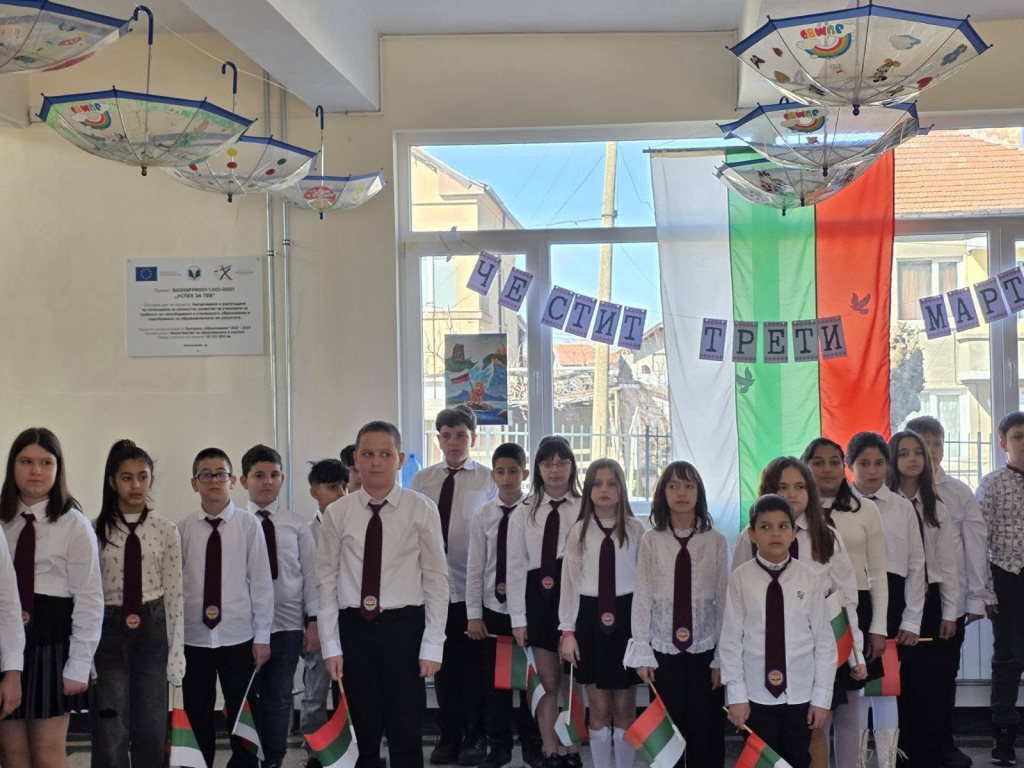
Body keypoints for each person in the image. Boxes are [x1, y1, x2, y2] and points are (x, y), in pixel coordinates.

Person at [318, 421, 449, 768]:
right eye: (367, 454)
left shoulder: (421, 509)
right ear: (355, 460)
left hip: (404, 630)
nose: (376, 462)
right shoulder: (338, 513)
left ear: (400, 459)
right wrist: (330, 646)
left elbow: (437, 581)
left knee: (405, 729)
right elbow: (326, 582)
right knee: (362, 731)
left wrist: (432, 645)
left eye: (385, 454)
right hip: (353, 630)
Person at [732, 457, 866, 768]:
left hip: (815, 654)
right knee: (765, 739)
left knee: (813, 730)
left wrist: (855, 653)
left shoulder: (826, 536)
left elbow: (846, 599)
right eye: (782, 487)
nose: (791, 494)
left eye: (800, 486)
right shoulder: (748, 540)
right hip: (763, 658)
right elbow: (734, 601)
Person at [0, 427, 100, 768]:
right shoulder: (3, 520)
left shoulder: (74, 524)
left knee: (47, 754)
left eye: (46, 462)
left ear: (59, 469)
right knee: (13, 755)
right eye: (26, 461)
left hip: (52, 647)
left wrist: (80, 664)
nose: (36, 471)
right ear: (12, 466)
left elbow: (89, 600)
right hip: (6, 644)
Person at [720, 494, 836, 768]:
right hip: (756, 694)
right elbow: (731, 641)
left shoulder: (809, 579)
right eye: (765, 527)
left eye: (783, 526)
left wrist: (822, 698)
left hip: (800, 693)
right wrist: (736, 696)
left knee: (798, 759)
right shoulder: (741, 579)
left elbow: (824, 642)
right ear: (752, 534)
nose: (775, 533)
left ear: (794, 532)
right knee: (761, 761)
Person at [625, 461, 728, 768]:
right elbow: (642, 596)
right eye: (673, 486)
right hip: (662, 648)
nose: (681, 492)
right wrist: (642, 651)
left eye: (689, 486)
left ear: (699, 493)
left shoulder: (715, 540)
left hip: (704, 649)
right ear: (662, 493)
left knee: (704, 728)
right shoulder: (651, 539)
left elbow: (724, 601)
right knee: (668, 730)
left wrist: (721, 658)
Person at [411, 405, 497, 765]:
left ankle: (475, 735)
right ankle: (448, 735)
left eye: (461, 435)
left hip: (471, 592)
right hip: (432, 591)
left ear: (473, 438)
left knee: (473, 670)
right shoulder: (422, 481)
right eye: (446, 435)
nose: (454, 442)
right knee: (441, 667)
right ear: (439, 440)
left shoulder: (489, 479)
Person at [91, 439, 185, 768]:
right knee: (110, 721)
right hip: (108, 629)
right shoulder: (96, 529)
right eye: (127, 477)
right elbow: (89, 594)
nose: (135, 485)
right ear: (112, 481)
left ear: (151, 480)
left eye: (142, 477)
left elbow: (175, 593)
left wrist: (177, 652)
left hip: (153, 626)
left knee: (151, 720)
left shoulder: (165, 530)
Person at [179, 447, 274, 768]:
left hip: (238, 637)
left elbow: (261, 584)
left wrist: (263, 637)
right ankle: (197, 764)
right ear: (195, 483)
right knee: (197, 710)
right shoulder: (183, 529)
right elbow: (176, 587)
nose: (214, 481)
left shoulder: (248, 525)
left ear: (232, 481)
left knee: (243, 710)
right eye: (205, 474)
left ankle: (245, 763)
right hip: (194, 638)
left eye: (221, 474)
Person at [906, 415, 990, 768]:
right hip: (906, 603)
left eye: (936, 444)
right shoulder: (894, 493)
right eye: (922, 445)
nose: (931, 452)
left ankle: (944, 743)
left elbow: (974, 546)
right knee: (909, 680)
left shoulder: (957, 492)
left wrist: (977, 596)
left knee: (943, 676)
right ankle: (906, 748)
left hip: (948, 600)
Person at [802, 438, 887, 768]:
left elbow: (877, 572)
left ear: (844, 467)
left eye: (834, 462)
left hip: (852, 611)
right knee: (817, 710)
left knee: (851, 708)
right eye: (818, 462)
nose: (827, 469)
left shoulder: (865, 509)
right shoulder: (795, 512)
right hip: (811, 614)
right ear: (805, 466)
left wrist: (878, 628)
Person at [846, 432, 926, 768]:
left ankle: (887, 761)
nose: (872, 470)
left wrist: (911, 619)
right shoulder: (839, 505)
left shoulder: (902, 507)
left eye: (879, 463)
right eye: (864, 463)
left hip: (889, 603)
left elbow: (916, 566)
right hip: (851, 600)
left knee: (885, 686)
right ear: (850, 465)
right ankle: (856, 761)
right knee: (855, 687)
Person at [560, 459, 644, 768]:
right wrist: (567, 632)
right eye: (597, 484)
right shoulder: (579, 531)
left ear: (622, 489)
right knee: (597, 706)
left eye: (611, 483)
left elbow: (646, 585)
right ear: (588, 490)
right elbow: (569, 585)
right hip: (589, 621)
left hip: (627, 621)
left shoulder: (637, 530)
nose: (604, 489)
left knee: (624, 706)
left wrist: (644, 636)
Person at [238, 444, 318, 768]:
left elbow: (311, 576)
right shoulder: (236, 523)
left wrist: (313, 622)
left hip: (287, 626)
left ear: (282, 479)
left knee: (279, 696)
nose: (267, 481)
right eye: (259, 475)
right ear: (244, 481)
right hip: (244, 628)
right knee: (245, 698)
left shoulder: (296, 525)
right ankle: (247, 758)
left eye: (274, 475)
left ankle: (273, 759)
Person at [507, 436, 583, 768]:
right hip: (538, 599)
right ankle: (551, 751)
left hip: (577, 598)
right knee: (548, 681)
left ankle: (572, 750)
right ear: (537, 469)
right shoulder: (524, 511)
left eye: (561, 462)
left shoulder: (584, 507)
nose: (554, 469)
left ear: (572, 467)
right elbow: (515, 566)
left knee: (573, 682)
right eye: (547, 463)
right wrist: (518, 618)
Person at [465, 442, 542, 768]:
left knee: (530, 682)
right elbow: (475, 567)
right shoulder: (483, 515)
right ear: (492, 476)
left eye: (513, 471)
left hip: (528, 610)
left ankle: (533, 744)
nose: (507, 477)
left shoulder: (535, 511)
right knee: (494, 685)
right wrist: (474, 614)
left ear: (524, 474)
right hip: (493, 610)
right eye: (500, 471)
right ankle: (499, 746)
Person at [887, 429, 960, 768]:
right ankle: (898, 755)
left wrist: (950, 612)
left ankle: (927, 755)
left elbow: (948, 564)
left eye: (918, 452)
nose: (913, 459)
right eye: (904, 453)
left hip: (931, 603)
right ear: (893, 460)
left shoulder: (936, 507)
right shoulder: (883, 505)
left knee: (928, 685)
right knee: (897, 684)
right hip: (895, 599)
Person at [977, 411, 1024, 766]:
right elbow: (979, 541)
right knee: (1008, 659)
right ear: (1004, 443)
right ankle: (1004, 733)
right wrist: (987, 592)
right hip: (1007, 578)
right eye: (1018, 437)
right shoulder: (992, 484)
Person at [302, 458, 348, 768]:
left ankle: (359, 749)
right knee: (315, 694)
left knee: (356, 692)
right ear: (314, 492)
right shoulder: (305, 533)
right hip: (319, 623)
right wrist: (312, 623)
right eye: (332, 487)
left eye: (344, 486)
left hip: (354, 621)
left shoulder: (357, 526)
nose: (341, 494)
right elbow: (306, 583)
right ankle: (315, 755)